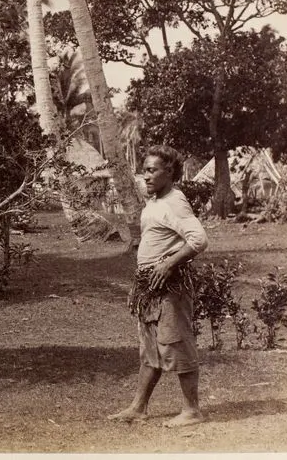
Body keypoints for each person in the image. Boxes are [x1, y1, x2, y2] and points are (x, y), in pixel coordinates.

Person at [109, 145, 208, 427]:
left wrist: (167, 264)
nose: (146, 176)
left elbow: (199, 240)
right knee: (150, 348)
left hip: (170, 288)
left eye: (152, 170)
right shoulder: (154, 202)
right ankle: (138, 407)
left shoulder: (175, 201)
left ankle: (192, 411)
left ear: (170, 172)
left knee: (177, 345)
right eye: (145, 170)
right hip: (149, 287)